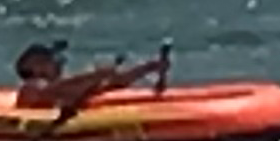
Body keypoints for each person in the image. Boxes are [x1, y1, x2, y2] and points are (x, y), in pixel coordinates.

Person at [12, 38, 168, 117]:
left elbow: (113, 83)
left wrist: (149, 67)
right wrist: (95, 74)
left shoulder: (66, 88)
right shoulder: (31, 87)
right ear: (35, 67)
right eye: (49, 59)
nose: (58, 61)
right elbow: (50, 90)